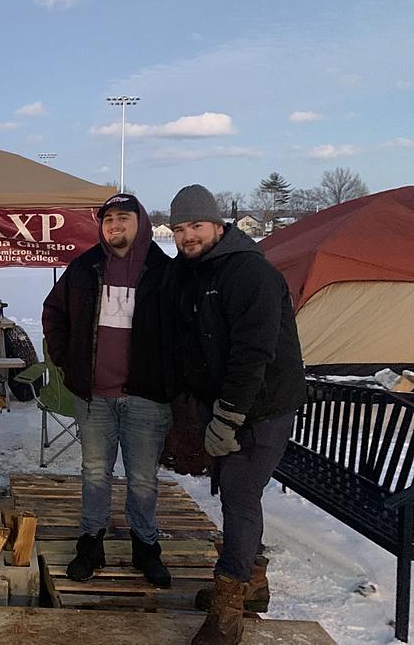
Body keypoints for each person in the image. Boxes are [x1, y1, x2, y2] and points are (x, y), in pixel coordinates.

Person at [165, 184, 306, 645]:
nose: (188, 236)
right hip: (226, 404)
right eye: (180, 228)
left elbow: (253, 352)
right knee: (236, 495)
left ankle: (228, 611)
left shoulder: (249, 272)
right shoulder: (194, 271)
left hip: (261, 406)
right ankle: (253, 582)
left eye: (196, 226)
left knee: (240, 496)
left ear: (219, 225)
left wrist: (227, 416)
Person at [42, 193, 173, 588]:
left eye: (124, 218)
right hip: (95, 396)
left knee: (143, 478)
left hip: (146, 397)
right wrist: (68, 362)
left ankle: (146, 547)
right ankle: (91, 543)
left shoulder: (163, 271)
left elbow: (185, 330)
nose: (115, 226)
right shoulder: (84, 268)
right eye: (109, 220)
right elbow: (54, 313)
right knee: (95, 473)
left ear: (141, 222)